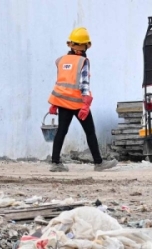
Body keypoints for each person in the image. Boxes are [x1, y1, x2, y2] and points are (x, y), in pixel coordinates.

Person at [49, 27, 117, 172]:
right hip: (78, 103)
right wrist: (86, 103)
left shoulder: (61, 60)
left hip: (63, 102)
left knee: (61, 131)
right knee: (90, 132)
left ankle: (55, 163)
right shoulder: (82, 61)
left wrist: (54, 103)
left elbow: (60, 83)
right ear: (84, 46)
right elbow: (84, 83)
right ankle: (99, 163)